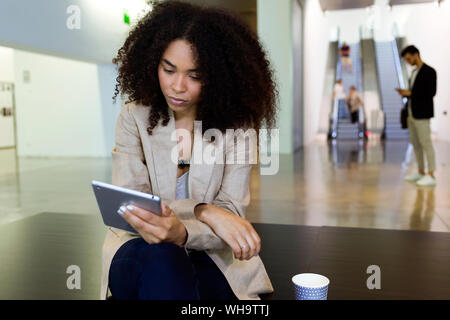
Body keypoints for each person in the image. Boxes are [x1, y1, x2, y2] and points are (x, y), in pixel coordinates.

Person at [100, 1, 278, 300]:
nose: (177, 86)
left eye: (195, 76)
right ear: (153, 62)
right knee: (163, 258)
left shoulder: (239, 127)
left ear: (219, 77)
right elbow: (133, 206)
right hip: (140, 247)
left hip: (207, 251)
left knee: (179, 276)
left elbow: (232, 212)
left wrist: (183, 233)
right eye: (168, 69)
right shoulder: (134, 117)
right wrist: (204, 211)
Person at [396, 45, 437, 187]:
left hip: (423, 114)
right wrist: (407, 93)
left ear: (415, 55)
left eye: (408, 58)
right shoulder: (413, 72)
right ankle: (420, 171)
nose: (408, 62)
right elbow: (415, 91)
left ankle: (431, 173)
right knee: (416, 144)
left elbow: (431, 92)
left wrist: (410, 93)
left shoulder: (429, 71)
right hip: (411, 113)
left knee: (426, 143)